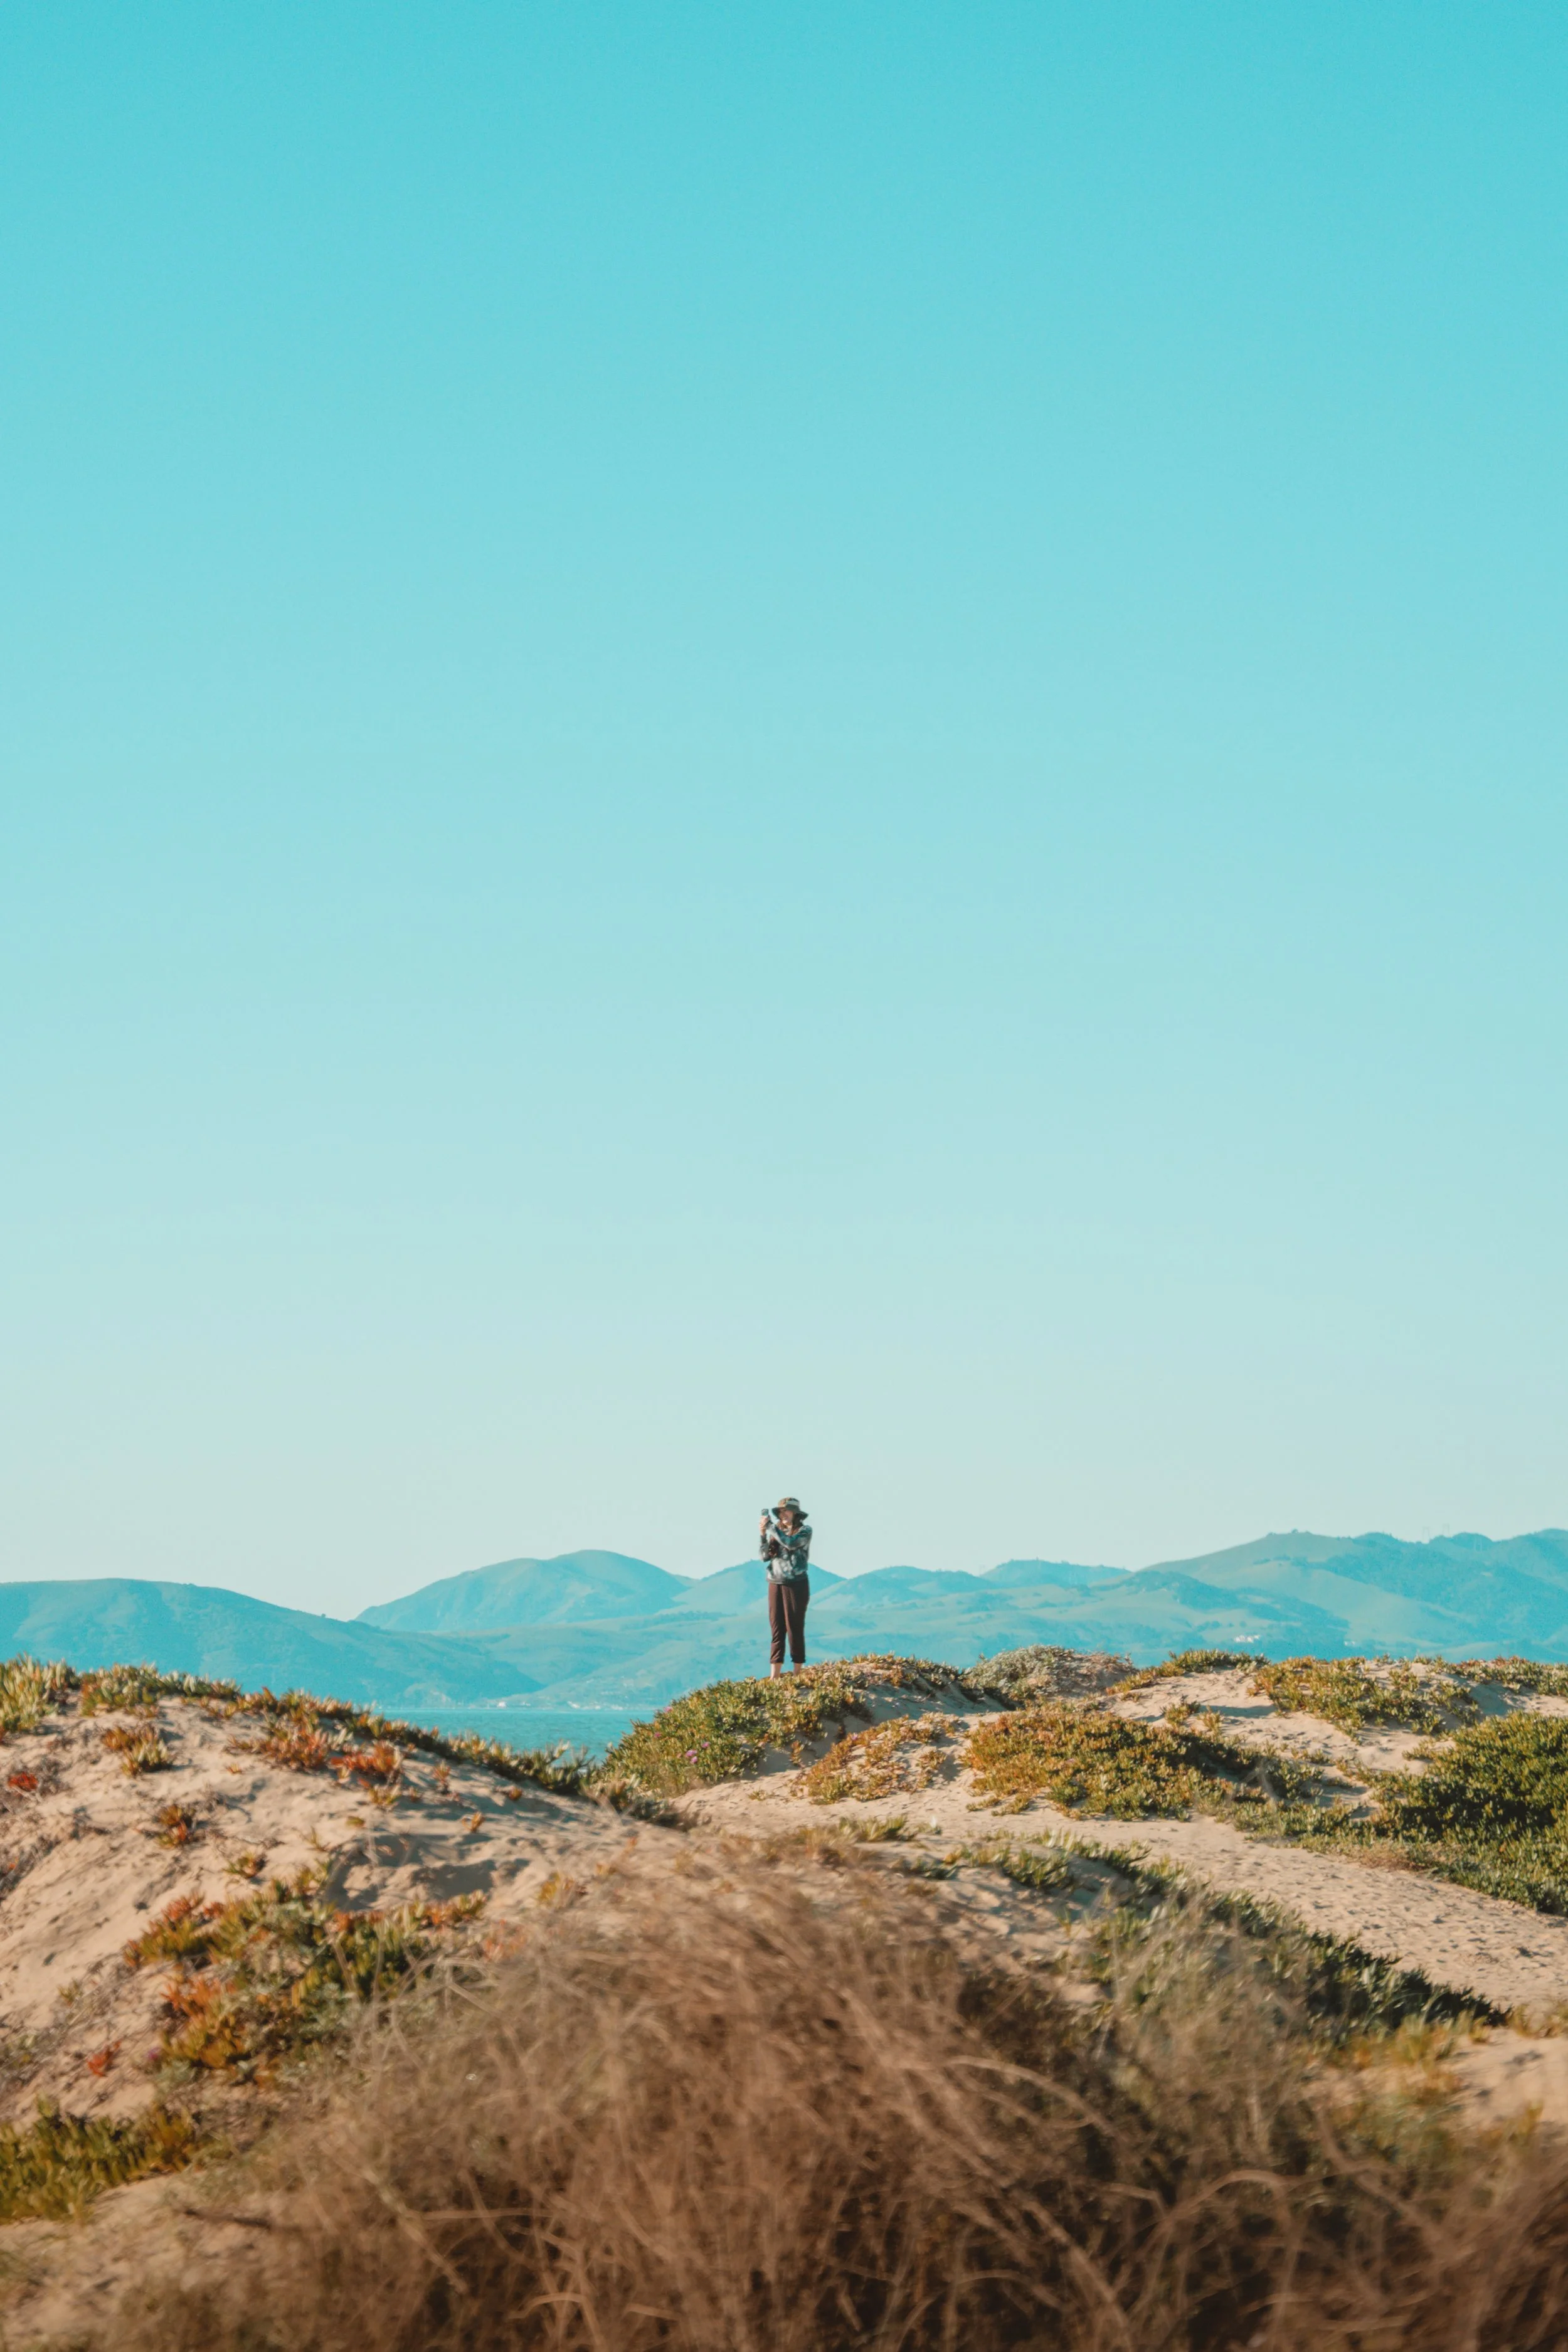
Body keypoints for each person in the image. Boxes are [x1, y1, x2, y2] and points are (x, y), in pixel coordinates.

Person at [759, 1496, 811, 1678]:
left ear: (795, 1513)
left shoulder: (804, 1531)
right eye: (781, 1512)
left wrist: (772, 1528)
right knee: (777, 1628)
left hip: (796, 1584)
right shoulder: (776, 1532)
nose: (783, 1514)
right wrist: (763, 1535)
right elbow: (764, 1556)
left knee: (794, 1627)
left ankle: (797, 1672)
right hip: (775, 1582)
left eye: (787, 1511)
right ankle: (775, 1675)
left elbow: (791, 1544)